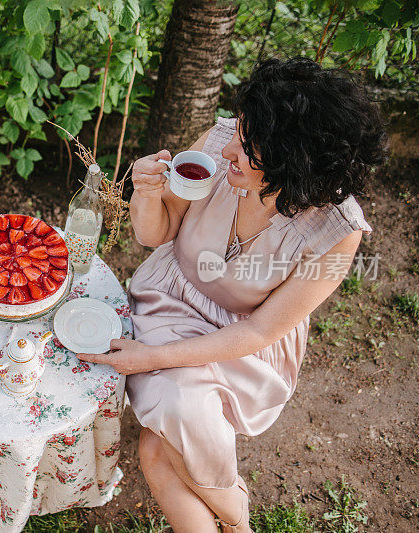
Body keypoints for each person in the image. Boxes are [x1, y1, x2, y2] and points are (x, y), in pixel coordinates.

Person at [77, 58, 387, 531]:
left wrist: (149, 359)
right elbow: (154, 234)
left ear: (294, 165)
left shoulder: (337, 230)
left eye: (249, 149)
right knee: (169, 428)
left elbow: (262, 329)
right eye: (239, 136)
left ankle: (235, 519)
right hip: (170, 304)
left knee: (158, 448)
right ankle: (237, 517)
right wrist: (145, 192)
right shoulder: (221, 142)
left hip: (242, 343)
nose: (227, 154)